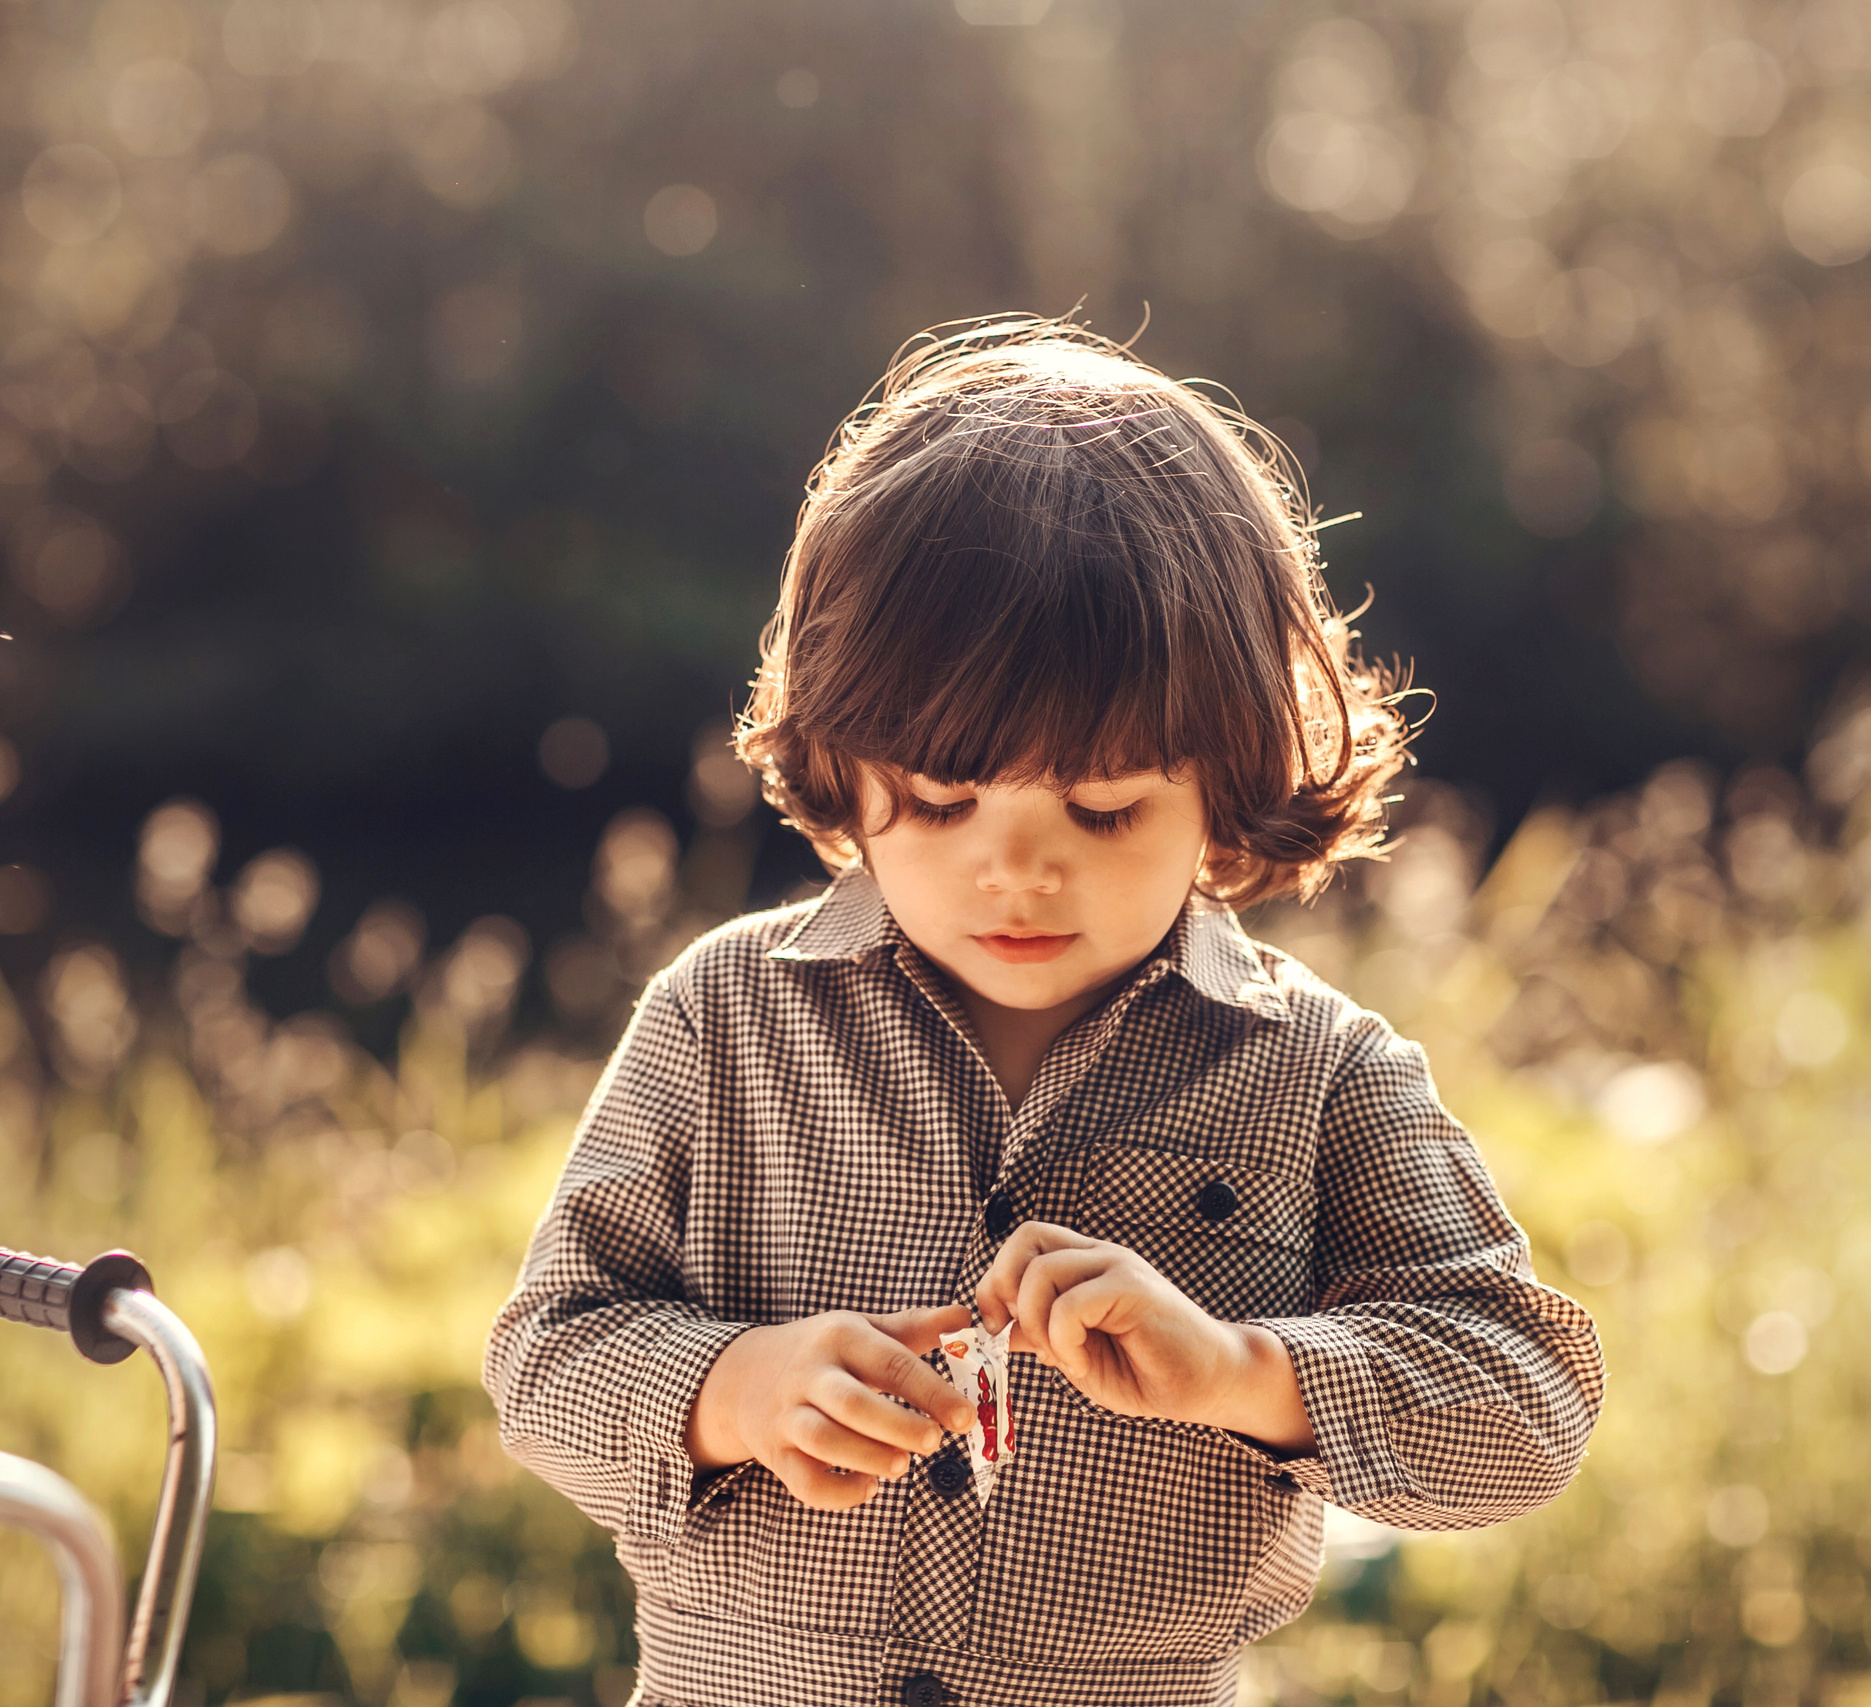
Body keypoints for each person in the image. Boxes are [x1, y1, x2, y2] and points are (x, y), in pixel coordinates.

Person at [483, 317, 1604, 1707]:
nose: (1017, 866)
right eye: (944, 804)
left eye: (1106, 808)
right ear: (841, 759)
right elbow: (545, 1355)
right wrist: (738, 1391)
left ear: (1227, 779)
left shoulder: (1317, 1071)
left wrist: (1241, 1370)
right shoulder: (723, 1018)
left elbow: (1522, 1402)